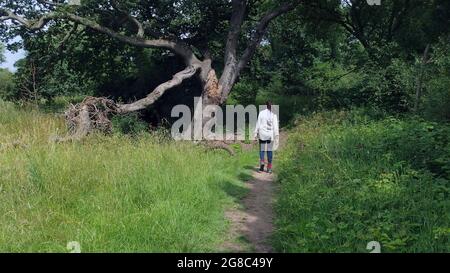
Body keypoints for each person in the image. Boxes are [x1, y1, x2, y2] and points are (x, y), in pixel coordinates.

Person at [254, 101, 279, 173]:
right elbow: (275, 126)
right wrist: (276, 135)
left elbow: (258, 123)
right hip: (270, 135)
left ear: (266, 105)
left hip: (262, 134)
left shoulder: (261, 113)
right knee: (269, 150)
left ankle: (262, 161)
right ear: (272, 106)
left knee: (262, 149)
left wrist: (255, 133)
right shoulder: (274, 115)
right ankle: (269, 168)